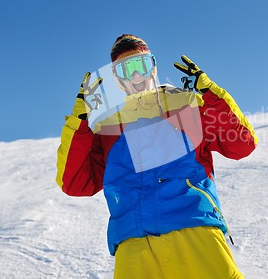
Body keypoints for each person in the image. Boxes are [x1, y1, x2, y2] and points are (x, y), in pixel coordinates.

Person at [56, 34, 257, 278]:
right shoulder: (108, 127)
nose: (136, 77)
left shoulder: (187, 104)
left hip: (194, 224)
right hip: (134, 239)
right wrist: (80, 122)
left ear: (153, 67)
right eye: (125, 70)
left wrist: (212, 95)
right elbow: (75, 183)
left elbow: (242, 144)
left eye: (141, 65)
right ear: (117, 79)